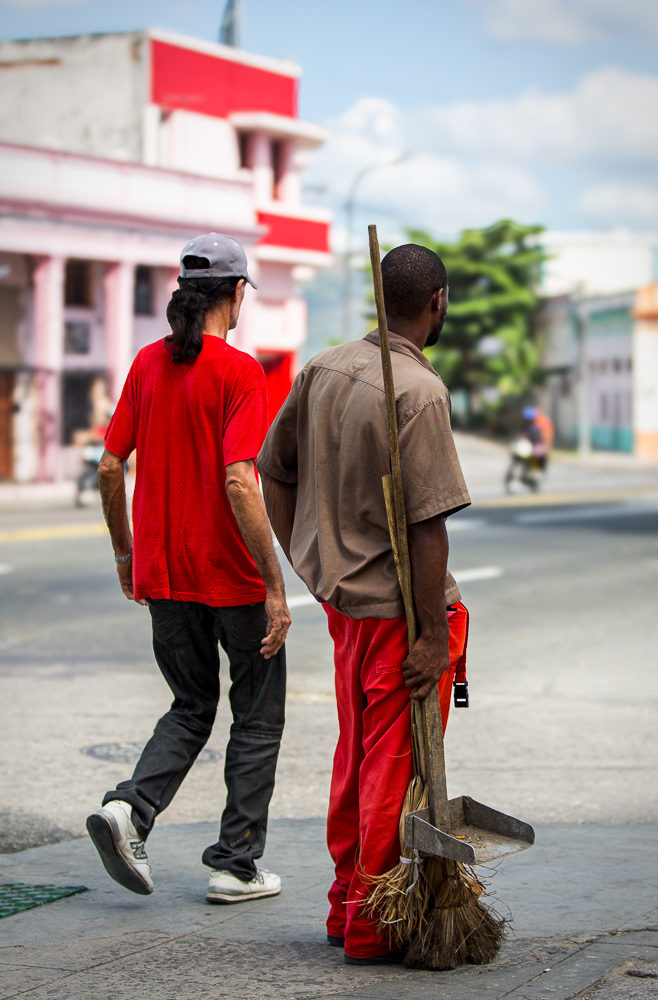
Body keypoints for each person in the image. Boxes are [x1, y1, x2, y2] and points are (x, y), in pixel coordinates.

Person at [258, 244, 471, 963]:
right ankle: (372, 923)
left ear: (381, 297)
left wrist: (311, 564)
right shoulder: (418, 391)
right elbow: (428, 522)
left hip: (347, 608)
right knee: (388, 769)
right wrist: (435, 637)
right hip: (399, 615)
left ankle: (346, 903)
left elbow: (271, 471)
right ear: (436, 301)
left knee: (358, 759)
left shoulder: (322, 368)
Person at [86, 233, 291, 905]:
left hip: (165, 577)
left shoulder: (147, 365)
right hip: (230, 578)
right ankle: (236, 866)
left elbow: (110, 465)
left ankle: (130, 811)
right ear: (234, 296)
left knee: (191, 704)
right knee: (256, 718)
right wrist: (274, 585)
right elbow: (240, 481)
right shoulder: (239, 372)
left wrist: (126, 552)